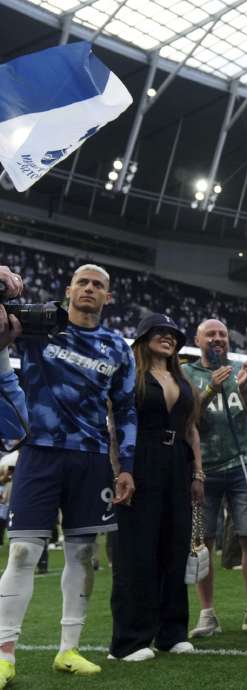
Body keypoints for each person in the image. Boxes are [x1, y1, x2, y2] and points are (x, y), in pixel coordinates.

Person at [0, 264, 136, 683]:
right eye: (84, 282)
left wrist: (126, 465)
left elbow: (126, 410)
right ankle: (4, 653)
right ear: (69, 289)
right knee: (22, 553)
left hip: (92, 458)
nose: (91, 289)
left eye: (99, 285)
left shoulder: (118, 347)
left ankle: (68, 650)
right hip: (39, 451)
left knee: (82, 554)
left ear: (107, 297)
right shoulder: (40, 324)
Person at [108, 314, 203, 661]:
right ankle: (128, 641)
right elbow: (116, 425)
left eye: (173, 333)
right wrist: (121, 470)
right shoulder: (129, 376)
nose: (167, 337)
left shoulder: (182, 378)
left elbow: (191, 429)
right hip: (140, 460)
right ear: (143, 336)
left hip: (178, 462)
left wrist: (198, 474)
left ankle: (171, 632)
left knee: (174, 549)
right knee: (136, 552)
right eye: (159, 332)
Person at [183, 319, 247, 637]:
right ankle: (207, 614)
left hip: (242, 463)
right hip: (200, 467)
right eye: (211, 334)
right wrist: (210, 390)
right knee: (202, 543)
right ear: (198, 339)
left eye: (222, 334)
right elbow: (184, 419)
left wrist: (245, 389)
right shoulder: (186, 373)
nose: (218, 338)